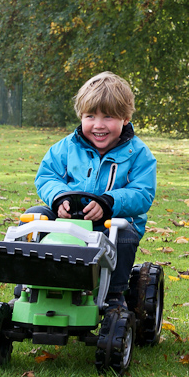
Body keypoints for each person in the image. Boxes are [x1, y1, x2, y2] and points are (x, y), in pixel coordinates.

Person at [26, 71, 157, 308]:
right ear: (81, 116)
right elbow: (47, 176)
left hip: (112, 223)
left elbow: (143, 193)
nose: (98, 125)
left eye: (108, 117)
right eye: (90, 116)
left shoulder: (139, 154)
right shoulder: (66, 147)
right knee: (35, 216)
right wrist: (58, 199)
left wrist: (109, 202)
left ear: (125, 118)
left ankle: (114, 295)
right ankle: (31, 281)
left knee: (125, 236)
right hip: (69, 218)